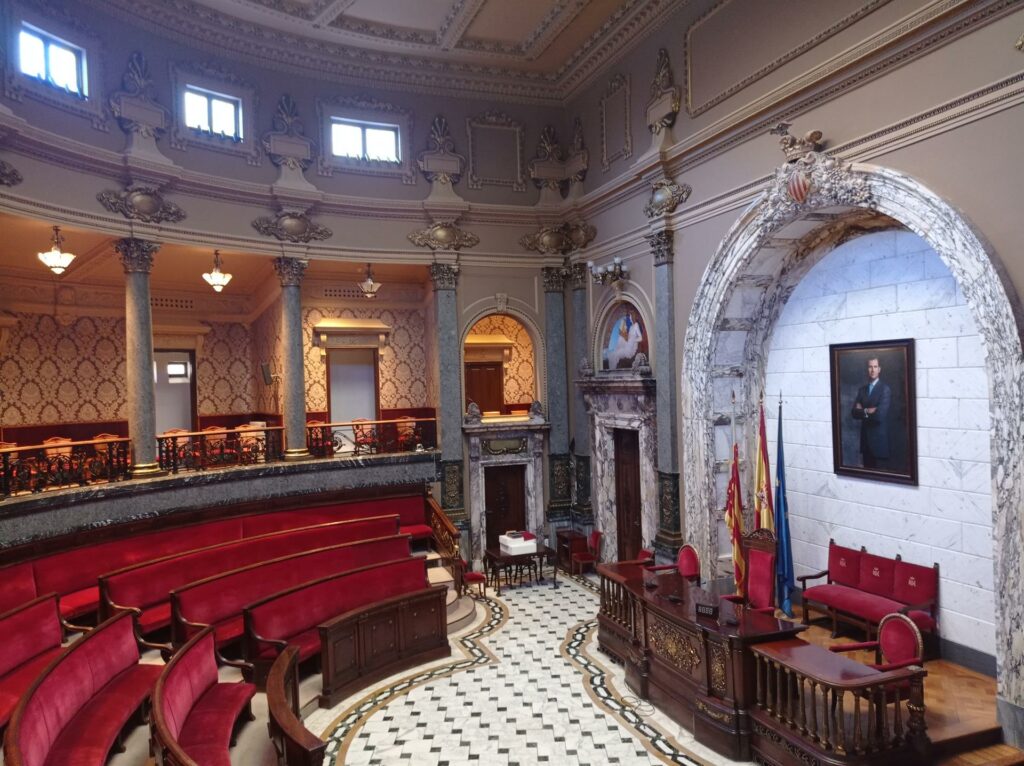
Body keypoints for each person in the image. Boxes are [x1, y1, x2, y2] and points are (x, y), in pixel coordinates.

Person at [851, 357, 892, 469]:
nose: (872, 370)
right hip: (865, 444)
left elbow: (879, 416)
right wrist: (868, 410)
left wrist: (862, 410)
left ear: (879, 369)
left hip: (879, 444)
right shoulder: (862, 390)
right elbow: (854, 413)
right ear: (867, 369)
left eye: (875, 367)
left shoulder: (885, 389)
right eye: (870, 367)